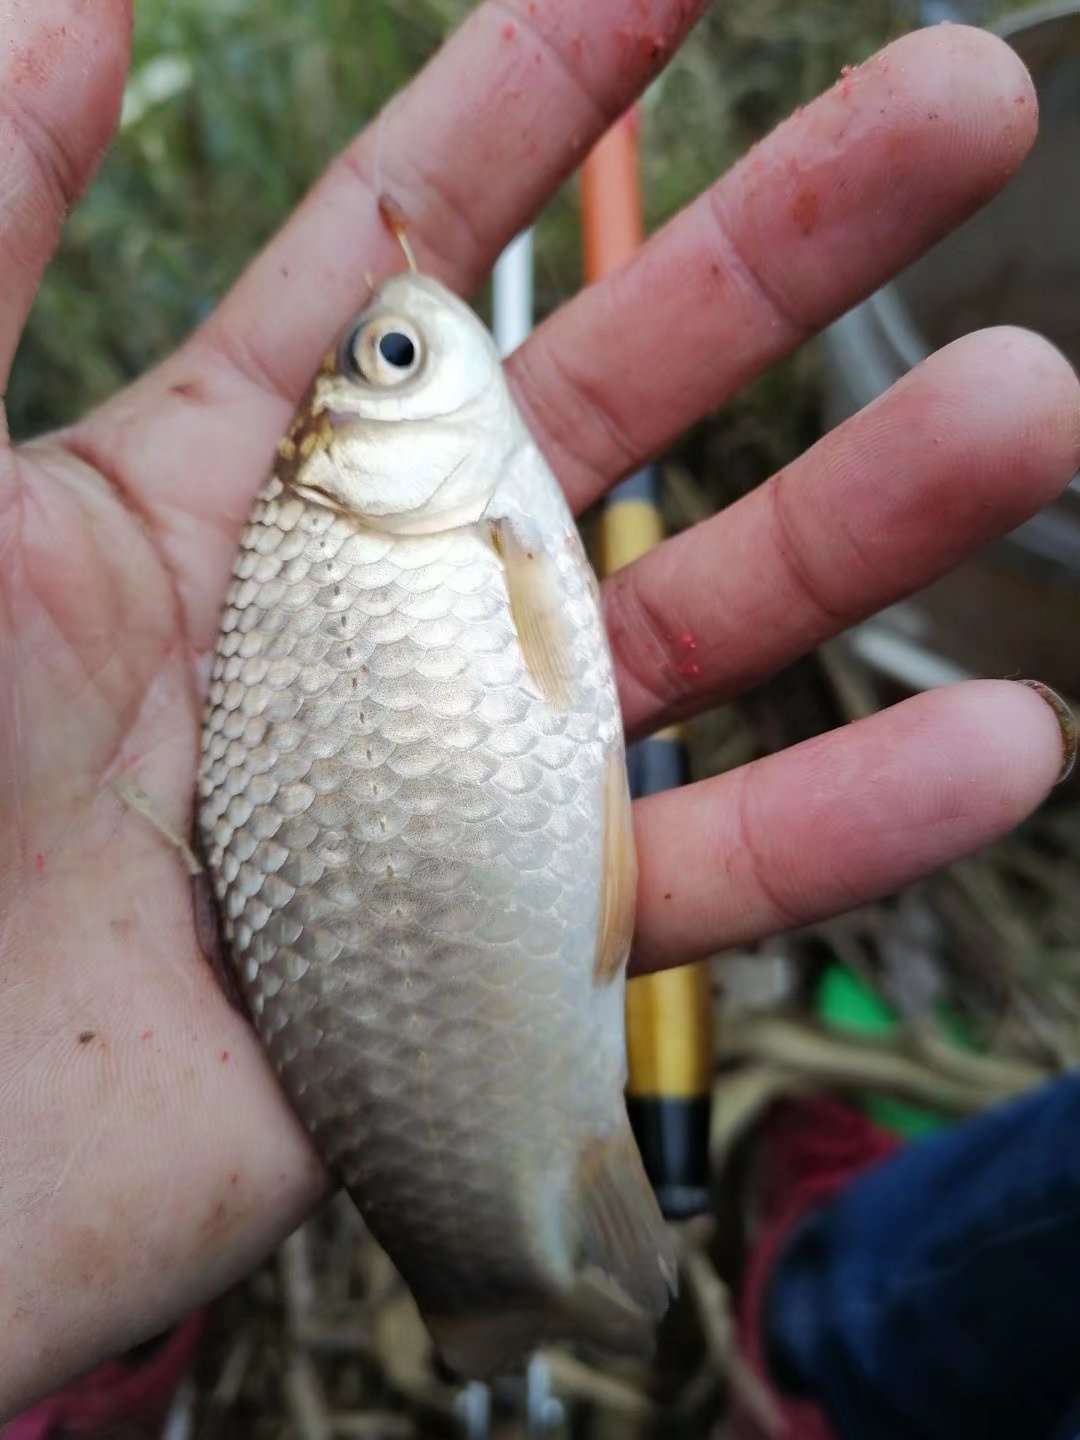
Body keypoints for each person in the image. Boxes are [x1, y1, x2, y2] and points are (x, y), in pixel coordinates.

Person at [0, 0, 1076, 1426]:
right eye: (390, 364)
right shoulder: (406, 537)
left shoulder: (391, 533)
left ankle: (588, 1286)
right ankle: (562, 1282)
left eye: (382, 363)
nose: (404, 345)